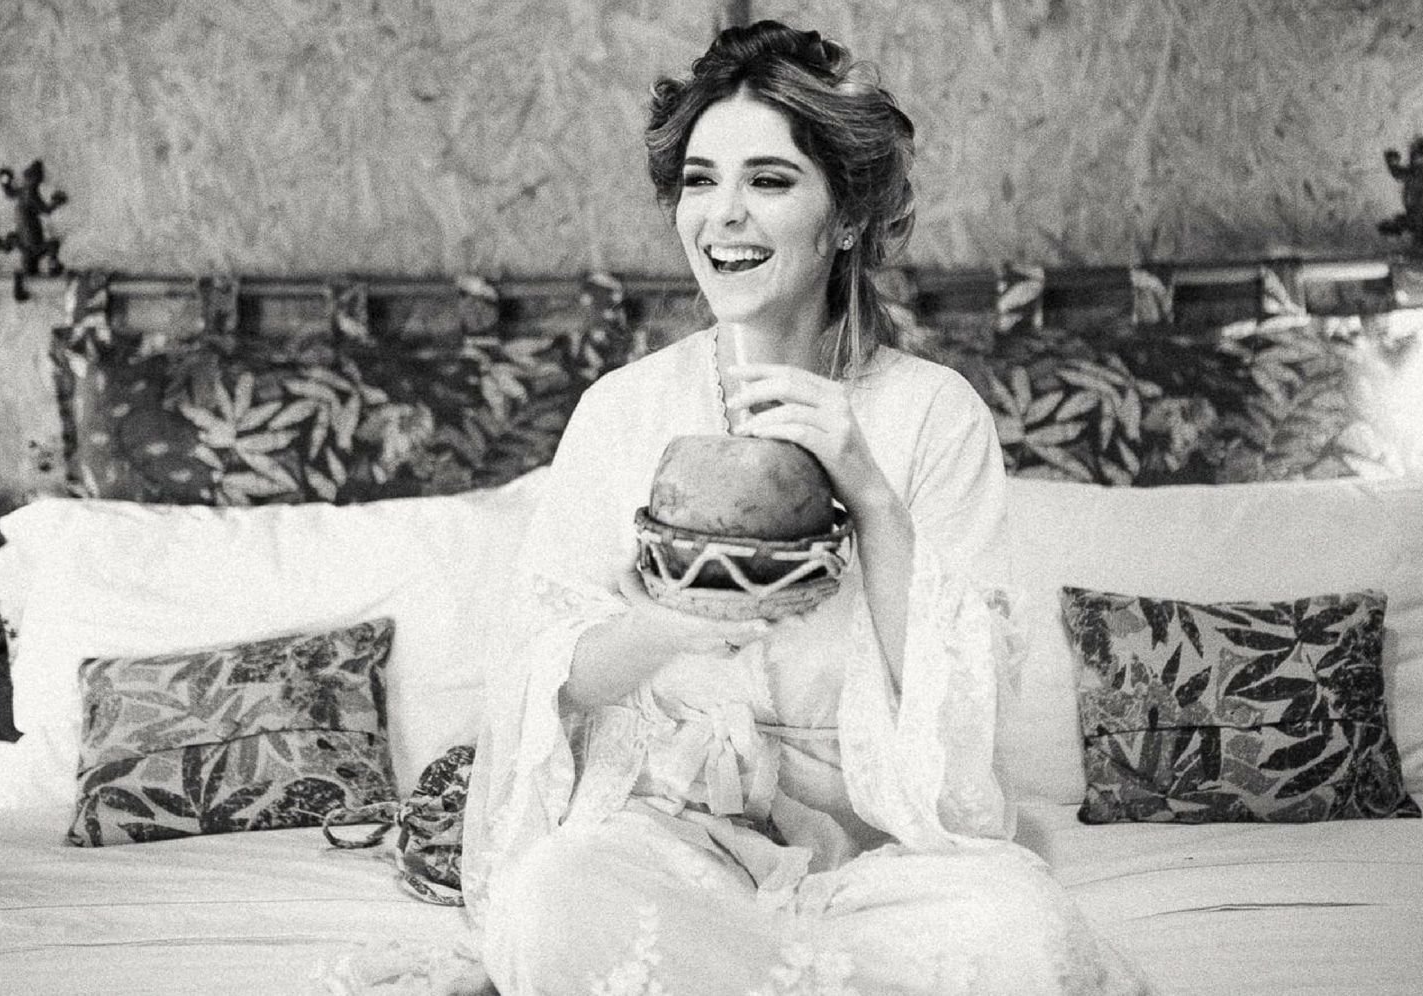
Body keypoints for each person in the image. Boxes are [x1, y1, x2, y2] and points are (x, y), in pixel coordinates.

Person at [461, 20, 1150, 996]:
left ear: (846, 217)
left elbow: (962, 707)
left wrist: (869, 494)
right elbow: (544, 679)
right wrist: (668, 623)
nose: (723, 216)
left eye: (769, 180)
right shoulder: (622, 411)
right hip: (675, 840)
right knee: (552, 898)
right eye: (700, 180)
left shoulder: (932, 413)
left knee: (1023, 932)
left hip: (879, 854)